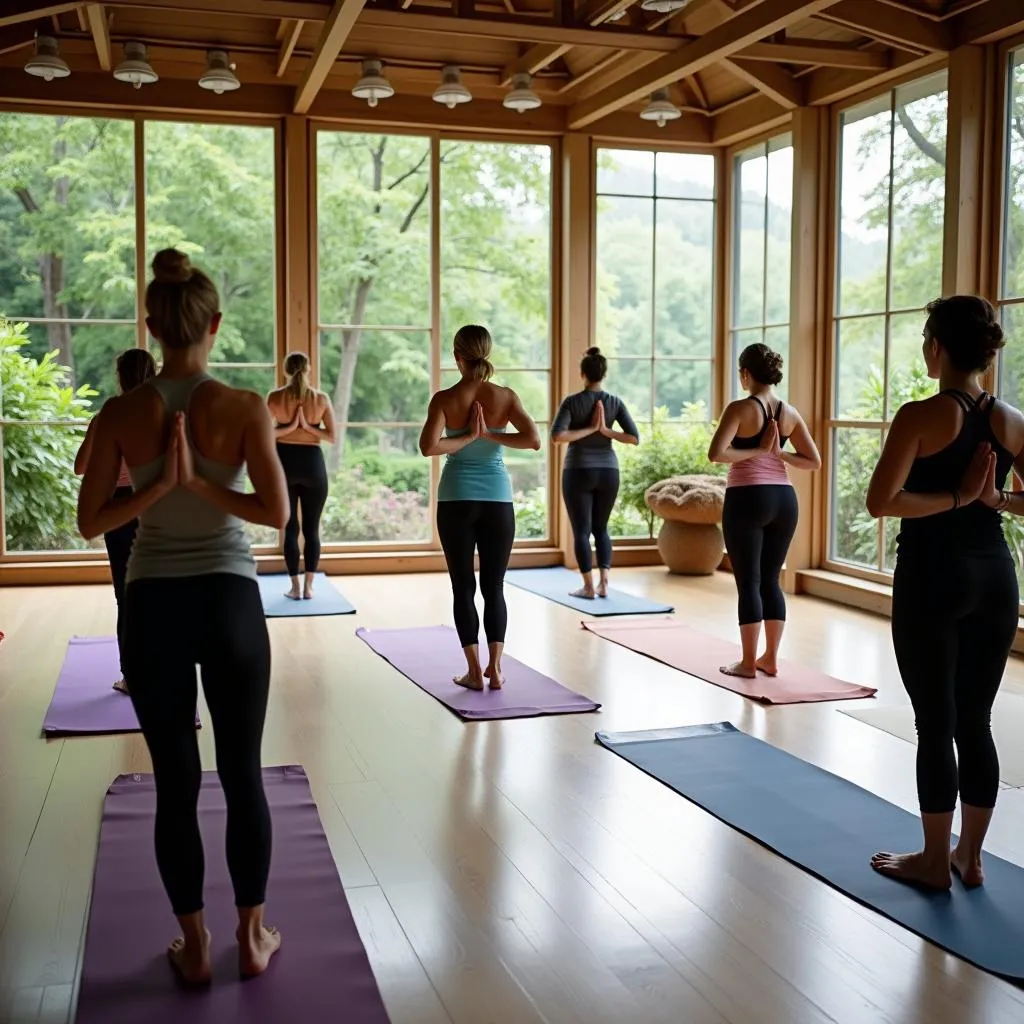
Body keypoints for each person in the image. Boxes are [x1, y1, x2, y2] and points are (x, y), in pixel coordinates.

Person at [77, 249, 289, 984]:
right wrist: (199, 481)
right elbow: (274, 514)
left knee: (175, 781)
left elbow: (89, 520)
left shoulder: (123, 412)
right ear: (215, 324)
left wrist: (163, 485)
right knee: (241, 774)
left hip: (153, 604)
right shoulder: (242, 406)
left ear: (153, 325)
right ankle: (252, 940)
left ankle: (195, 947)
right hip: (228, 600)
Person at [866, 296, 1024, 891]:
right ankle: (970, 857)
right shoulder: (1012, 420)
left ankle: (935, 860)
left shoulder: (920, 416)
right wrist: (996, 500)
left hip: (934, 576)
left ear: (937, 347)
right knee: (975, 720)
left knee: (935, 722)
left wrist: (960, 497)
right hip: (994, 578)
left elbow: (882, 503)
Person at [418, 325, 540, 691]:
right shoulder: (504, 396)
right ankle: (497, 668)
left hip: (456, 498)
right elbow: (533, 440)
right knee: (494, 586)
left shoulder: (445, 398)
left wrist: (468, 436)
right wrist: (488, 434)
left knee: (463, 587)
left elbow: (429, 447)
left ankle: (474, 672)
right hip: (497, 500)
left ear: (457, 356)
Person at [708, 343, 821, 678]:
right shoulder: (789, 412)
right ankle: (770, 658)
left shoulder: (740, 409)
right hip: (784, 500)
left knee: (750, 582)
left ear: (745, 373)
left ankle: (747, 663)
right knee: (771, 580)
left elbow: (717, 453)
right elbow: (813, 461)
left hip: (747, 499)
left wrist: (758, 450)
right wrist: (778, 454)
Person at [75, 348, 157, 694]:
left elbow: (81, 467)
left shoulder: (108, 415)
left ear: (120, 377)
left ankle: (131, 676)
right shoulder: (165, 413)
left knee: (126, 594)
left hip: (119, 509)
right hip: (157, 506)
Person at [551, 347, 639, 599]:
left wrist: (591, 429)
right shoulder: (614, 402)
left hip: (578, 470)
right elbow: (633, 438)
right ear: (603, 374)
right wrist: (604, 430)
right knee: (601, 528)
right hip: (608, 471)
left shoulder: (572, 402)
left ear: (583, 374)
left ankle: (588, 587)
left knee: (581, 530)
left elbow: (557, 437)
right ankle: (604, 584)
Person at [266, 353, 336, 600]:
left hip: (284, 463)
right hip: (312, 464)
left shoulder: (275, 397)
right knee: (312, 529)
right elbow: (332, 437)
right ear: (308, 369)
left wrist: (287, 428)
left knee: (290, 528)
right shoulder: (320, 399)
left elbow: (264, 434)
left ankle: (295, 588)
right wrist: (308, 428)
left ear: (286, 370)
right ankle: (308, 589)